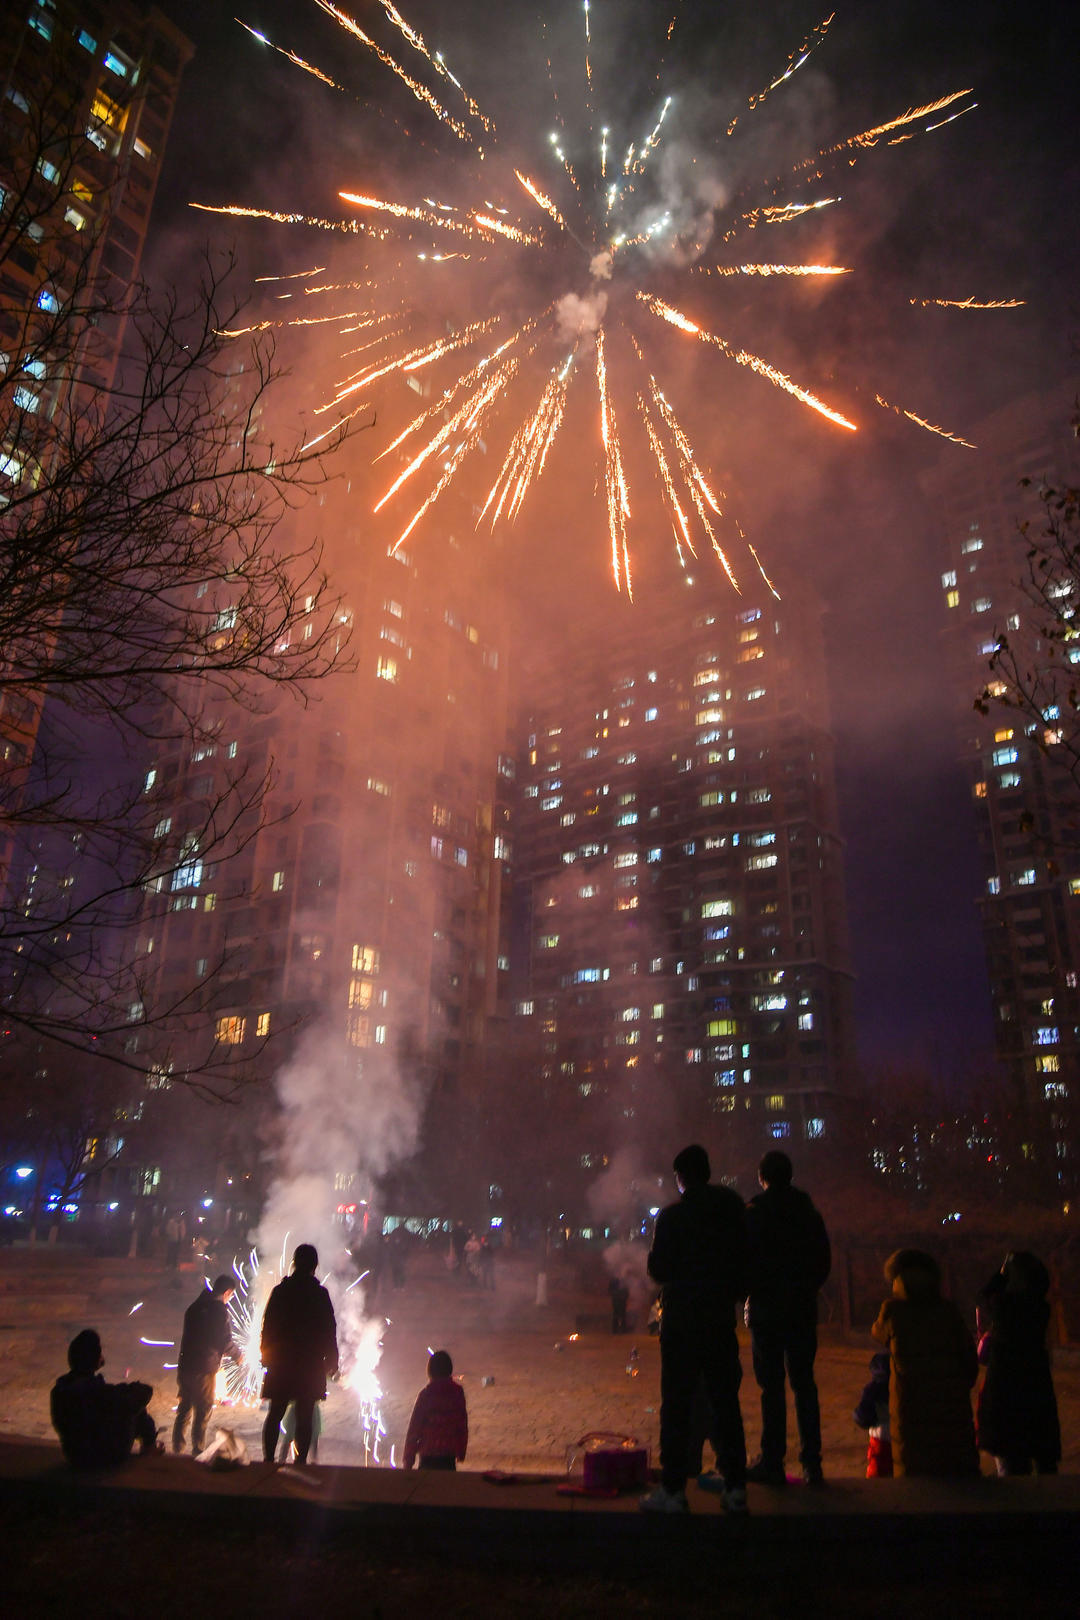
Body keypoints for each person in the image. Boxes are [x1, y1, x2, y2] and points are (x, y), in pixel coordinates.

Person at [640, 1143, 749, 1515]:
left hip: (682, 1320)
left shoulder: (672, 1218)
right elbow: (745, 1259)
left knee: (677, 1404)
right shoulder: (732, 1210)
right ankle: (735, 1487)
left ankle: (673, 1489)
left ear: (681, 1178)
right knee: (725, 1402)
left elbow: (658, 1269)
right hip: (719, 1317)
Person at [744, 1149, 831, 1486]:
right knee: (804, 1384)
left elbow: (744, 1258)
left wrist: (752, 1290)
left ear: (762, 1177)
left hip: (766, 1310)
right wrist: (805, 1288)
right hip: (800, 1309)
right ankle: (812, 1463)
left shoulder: (754, 1213)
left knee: (771, 1388)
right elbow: (823, 1261)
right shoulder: (808, 1213)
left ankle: (773, 1460)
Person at [871, 1248, 978, 1477]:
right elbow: (970, 1365)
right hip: (953, 1421)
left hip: (911, 1421)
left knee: (917, 1492)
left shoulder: (892, 1312)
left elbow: (877, 1333)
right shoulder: (949, 1312)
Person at [975, 1250, 1061, 1476]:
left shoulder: (1006, 1308)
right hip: (1036, 1392)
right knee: (1044, 1467)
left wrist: (1001, 1275)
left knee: (1012, 1471)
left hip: (1007, 1395)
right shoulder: (1040, 1308)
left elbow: (986, 1295)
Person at [260, 1243, 339, 1466]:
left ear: (294, 1262)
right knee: (305, 1415)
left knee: (276, 1411)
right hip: (309, 1364)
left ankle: (268, 1459)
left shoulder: (280, 1291)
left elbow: (268, 1326)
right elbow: (329, 1330)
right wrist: (332, 1361)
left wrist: (266, 1356)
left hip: (281, 1362)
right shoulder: (319, 1294)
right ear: (315, 1266)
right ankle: (300, 1461)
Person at [51, 1329, 159, 1466]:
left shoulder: (60, 1389)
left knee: (124, 1407)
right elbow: (144, 1393)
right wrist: (127, 1389)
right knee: (138, 1411)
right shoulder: (98, 1392)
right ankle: (150, 1449)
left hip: (74, 1455)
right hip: (103, 1458)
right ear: (95, 1360)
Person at [172, 1274, 239, 1455]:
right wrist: (238, 1355)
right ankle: (198, 1449)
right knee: (203, 1409)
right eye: (231, 1296)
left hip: (185, 1365)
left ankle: (177, 1449)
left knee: (185, 1407)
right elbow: (223, 1340)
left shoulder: (195, 1307)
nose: (230, 1300)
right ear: (227, 1292)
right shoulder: (218, 1311)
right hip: (204, 1368)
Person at [403, 1348, 469, 1471]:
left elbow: (415, 1428)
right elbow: (461, 1423)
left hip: (428, 1455)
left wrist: (408, 1458)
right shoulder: (457, 1393)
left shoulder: (426, 1394)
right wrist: (461, 1451)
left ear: (430, 1371)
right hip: (448, 1455)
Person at [853, 1350, 893, 1478]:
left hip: (880, 1441)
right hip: (900, 1439)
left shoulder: (872, 1390)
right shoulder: (899, 1387)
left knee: (876, 1477)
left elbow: (862, 1417)